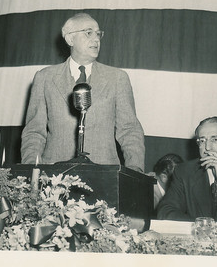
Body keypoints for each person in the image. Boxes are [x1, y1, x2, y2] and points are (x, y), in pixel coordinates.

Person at [21, 13, 145, 171]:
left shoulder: (117, 78)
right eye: (88, 33)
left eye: (98, 34)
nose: (96, 39)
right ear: (70, 39)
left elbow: (129, 130)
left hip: (105, 176)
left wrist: (135, 171)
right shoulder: (44, 78)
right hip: (53, 178)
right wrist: (33, 172)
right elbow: (34, 132)